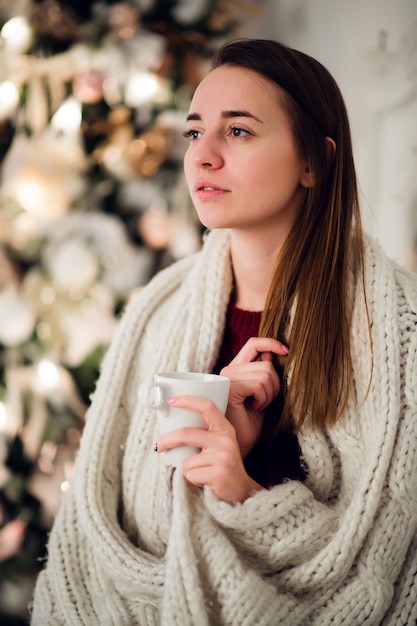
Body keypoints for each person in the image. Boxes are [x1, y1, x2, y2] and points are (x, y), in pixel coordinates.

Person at [31, 38, 417, 625]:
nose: (202, 155)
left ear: (315, 161)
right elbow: (103, 527)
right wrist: (209, 428)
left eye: (237, 131)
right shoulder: (155, 311)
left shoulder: (401, 331)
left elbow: (383, 558)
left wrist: (241, 488)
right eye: (194, 132)